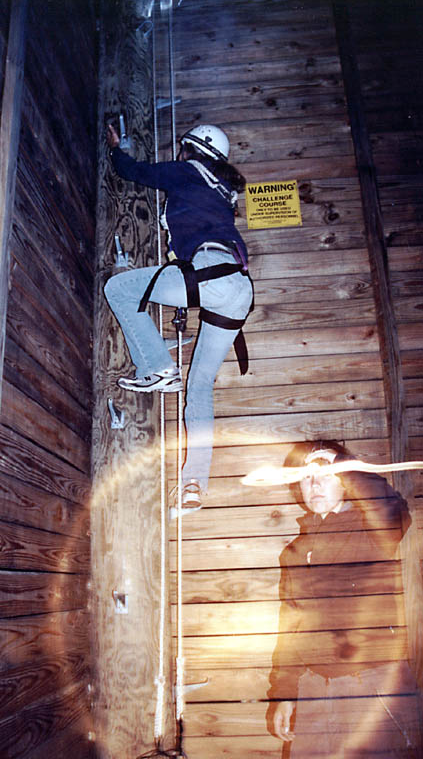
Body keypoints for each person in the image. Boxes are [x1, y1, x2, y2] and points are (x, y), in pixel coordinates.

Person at [104, 123, 253, 511]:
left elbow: (137, 173)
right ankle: (193, 485)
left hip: (208, 274)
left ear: (191, 149)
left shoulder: (189, 171)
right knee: (200, 386)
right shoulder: (224, 191)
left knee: (118, 289)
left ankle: (157, 366)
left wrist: (118, 150)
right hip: (237, 289)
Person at [267, 440, 421, 758]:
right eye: (306, 477)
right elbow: (291, 627)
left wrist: (341, 461)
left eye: (325, 474)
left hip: (373, 687)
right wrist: (284, 693)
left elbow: (393, 508)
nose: (315, 485)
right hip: (314, 691)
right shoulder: (294, 553)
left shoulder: (373, 529)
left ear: (345, 480)